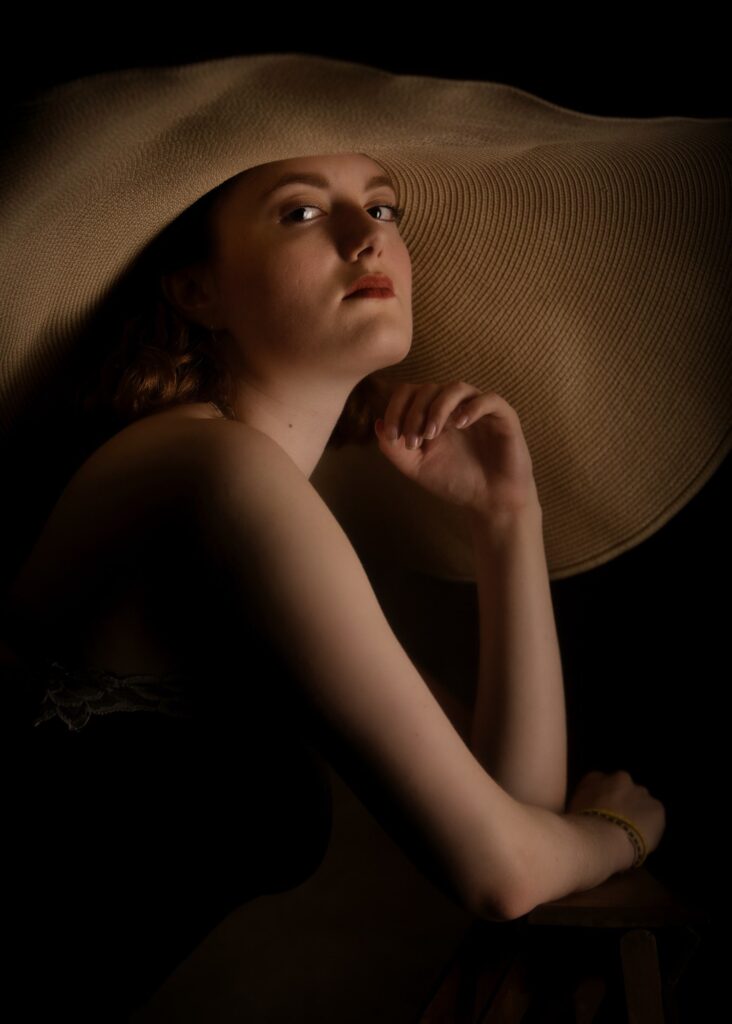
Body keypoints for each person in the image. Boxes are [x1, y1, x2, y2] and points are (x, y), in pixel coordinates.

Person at [2, 150, 666, 1020]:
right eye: (303, 213)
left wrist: (506, 519)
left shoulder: (240, 486)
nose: (367, 237)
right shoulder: (209, 472)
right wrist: (617, 834)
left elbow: (510, 807)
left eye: (383, 209)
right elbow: (502, 871)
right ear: (197, 290)